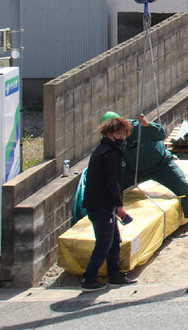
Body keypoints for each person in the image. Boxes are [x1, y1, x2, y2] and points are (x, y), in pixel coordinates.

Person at [104, 111, 188, 235]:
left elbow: (161, 134)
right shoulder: (110, 139)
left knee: (183, 187)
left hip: (161, 164)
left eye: (120, 132)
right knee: (113, 188)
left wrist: (147, 124)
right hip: (134, 168)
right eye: (113, 134)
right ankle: (106, 218)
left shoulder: (139, 127)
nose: (118, 136)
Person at [81, 115, 138, 291]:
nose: (122, 138)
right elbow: (112, 182)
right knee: (104, 243)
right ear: (109, 133)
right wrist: (119, 205)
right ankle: (89, 279)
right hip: (102, 206)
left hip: (101, 205)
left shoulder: (103, 149)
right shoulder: (109, 153)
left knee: (114, 241)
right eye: (119, 134)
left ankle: (114, 275)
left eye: (124, 134)